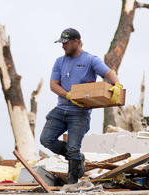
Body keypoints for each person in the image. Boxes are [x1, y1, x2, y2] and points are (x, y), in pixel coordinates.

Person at [40, 28, 121, 184]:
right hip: (61, 109)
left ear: (76, 42)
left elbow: (109, 73)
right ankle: (77, 158)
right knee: (46, 139)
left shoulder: (90, 60)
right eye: (61, 43)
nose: (63, 46)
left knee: (72, 148)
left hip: (79, 113)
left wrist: (117, 84)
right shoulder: (59, 61)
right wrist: (68, 95)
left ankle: (72, 182)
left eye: (66, 43)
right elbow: (53, 85)